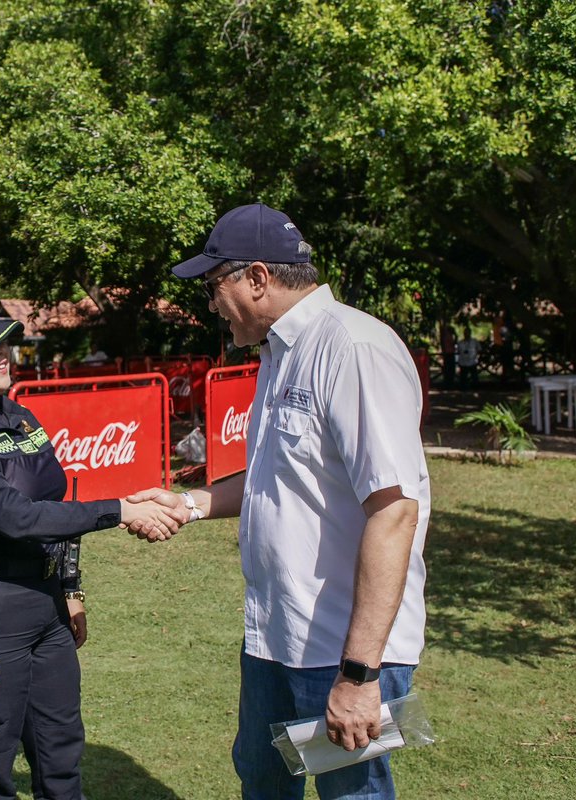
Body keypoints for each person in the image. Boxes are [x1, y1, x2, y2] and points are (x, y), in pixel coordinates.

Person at [131, 204, 430, 800]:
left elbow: (394, 510)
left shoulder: (353, 347)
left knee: (352, 793)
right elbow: (278, 479)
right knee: (263, 779)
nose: (211, 303)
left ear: (258, 279)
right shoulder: (278, 352)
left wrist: (359, 675)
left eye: (215, 286)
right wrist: (191, 503)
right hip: (275, 634)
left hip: (339, 647)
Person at [0, 299, 187, 800]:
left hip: (49, 611)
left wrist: (70, 586)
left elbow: (57, 505)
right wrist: (120, 510)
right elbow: (16, 516)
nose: (2, 355)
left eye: (4, 344)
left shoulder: (23, 417)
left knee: (62, 758)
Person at [439, 323, 456, 389]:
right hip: (449, 354)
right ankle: (449, 384)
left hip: (448, 354)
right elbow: (452, 344)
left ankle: (448, 384)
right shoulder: (448, 336)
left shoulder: (445, 336)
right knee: (450, 370)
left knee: (449, 370)